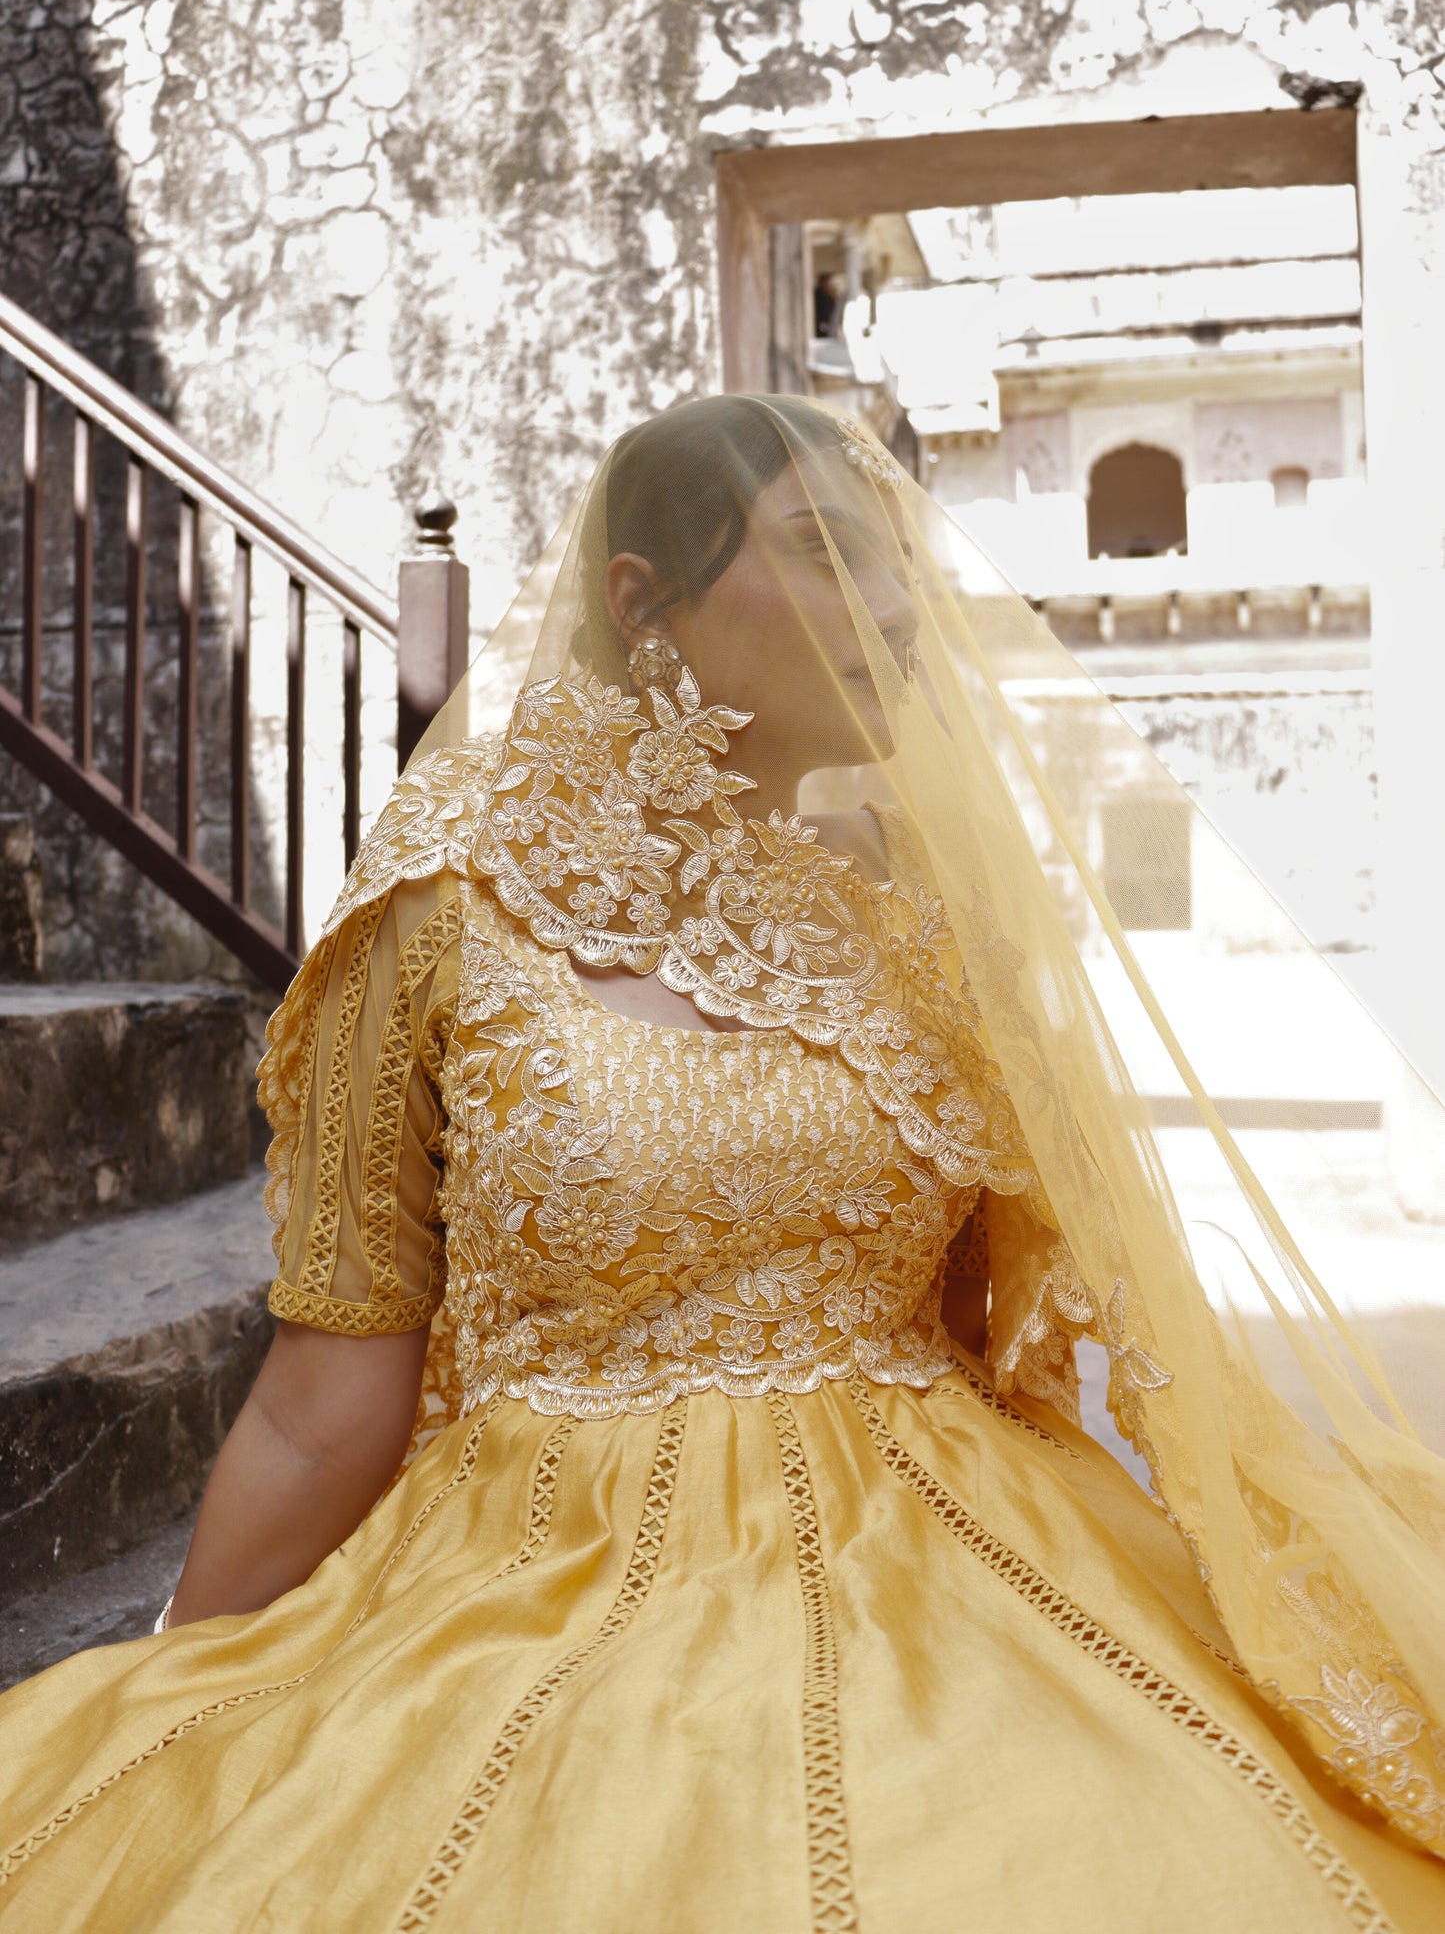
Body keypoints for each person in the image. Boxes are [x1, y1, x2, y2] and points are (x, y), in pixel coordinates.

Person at [1, 394, 1442, 1931]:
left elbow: (985, 1339)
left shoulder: (932, 931)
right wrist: (180, 1704)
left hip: (947, 1567)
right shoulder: (447, 905)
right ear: (640, 599)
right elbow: (320, 1398)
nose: (894, 606)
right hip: (533, 1578)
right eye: (827, 551)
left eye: (901, 561)